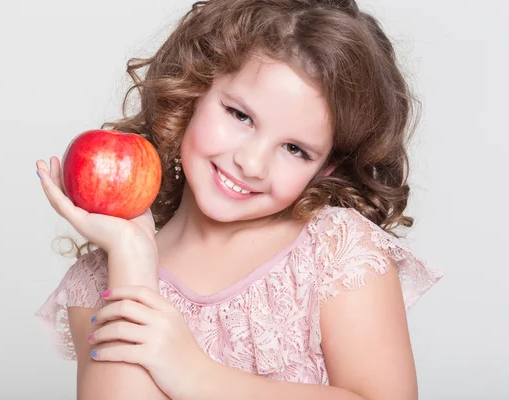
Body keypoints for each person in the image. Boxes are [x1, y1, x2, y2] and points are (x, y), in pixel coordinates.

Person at [34, 0, 443, 399]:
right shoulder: (99, 284)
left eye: (295, 149)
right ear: (193, 90)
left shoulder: (335, 252)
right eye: (240, 115)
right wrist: (132, 259)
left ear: (326, 169)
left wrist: (198, 377)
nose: (251, 163)